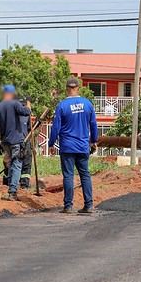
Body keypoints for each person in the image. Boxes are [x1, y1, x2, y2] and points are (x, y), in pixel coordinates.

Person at [48, 77, 97, 214]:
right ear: (78, 88)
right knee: (85, 174)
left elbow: (55, 127)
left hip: (67, 146)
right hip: (82, 146)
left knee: (68, 175)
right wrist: (93, 140)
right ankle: (89, 205)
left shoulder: (62, 105)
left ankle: (68, 206)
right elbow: (93, 124)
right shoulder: (87, 104)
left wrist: (51, 143)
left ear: (66, 88)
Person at [0, 85, 31, 200]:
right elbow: (27, 112)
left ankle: (10, 185)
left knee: (9, 163)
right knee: (17, 164)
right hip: (16, 140)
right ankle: (12, 192)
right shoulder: (15, 103)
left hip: (5, 141)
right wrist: (28, 102)